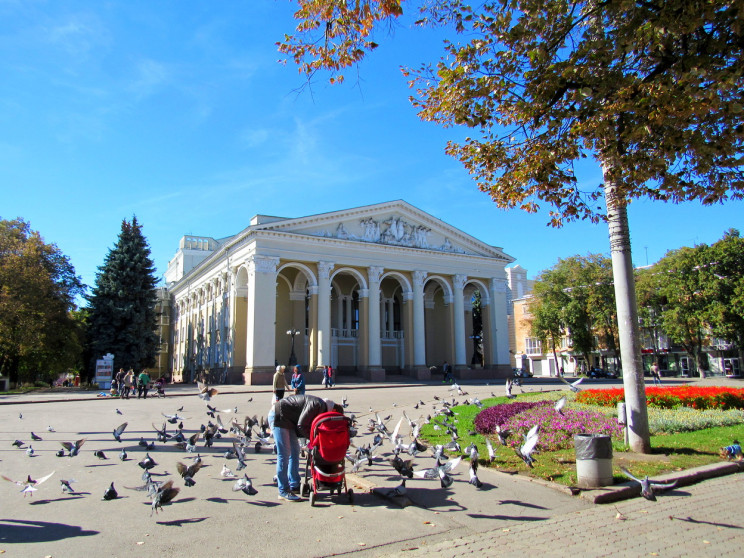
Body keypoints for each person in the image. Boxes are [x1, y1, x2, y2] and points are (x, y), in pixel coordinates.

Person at [269, 394, 343, 501]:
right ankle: (283, 491)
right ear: (333, 410)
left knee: (295, 452)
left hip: (289, 420)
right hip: (279, 416)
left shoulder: (322, 407)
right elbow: (301, 425)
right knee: (284, 455)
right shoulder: (317, 405)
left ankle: (294, 484)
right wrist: (313, 440)